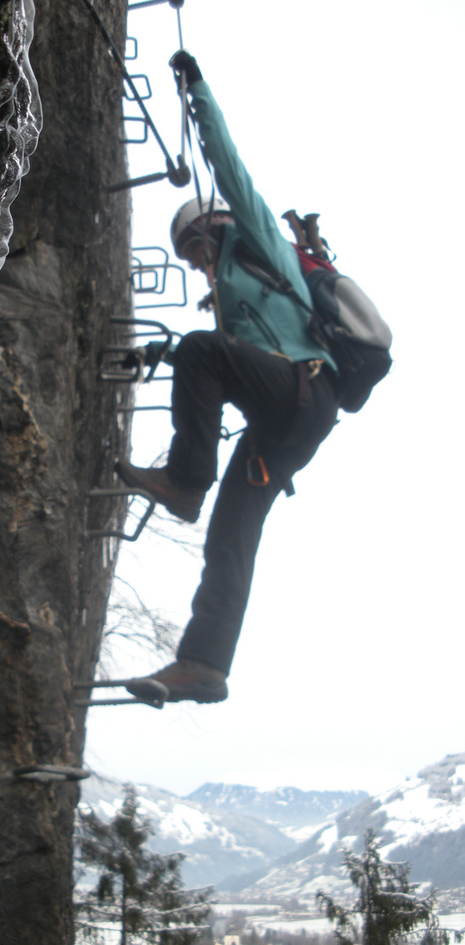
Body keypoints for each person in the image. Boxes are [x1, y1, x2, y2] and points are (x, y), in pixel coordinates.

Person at [118, 51, 340, 706]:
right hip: (284, 428)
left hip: (306, 392)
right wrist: (155, 360)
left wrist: (197, 94)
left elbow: (230, 167)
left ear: (217, 228)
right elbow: (219, 369)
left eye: (195, 250)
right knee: (230, 537)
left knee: (202, 351)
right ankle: (204, 665)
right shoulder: (238, 307)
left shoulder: (260, 243)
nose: (195, 265)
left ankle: (186, 482)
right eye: (187, 258)